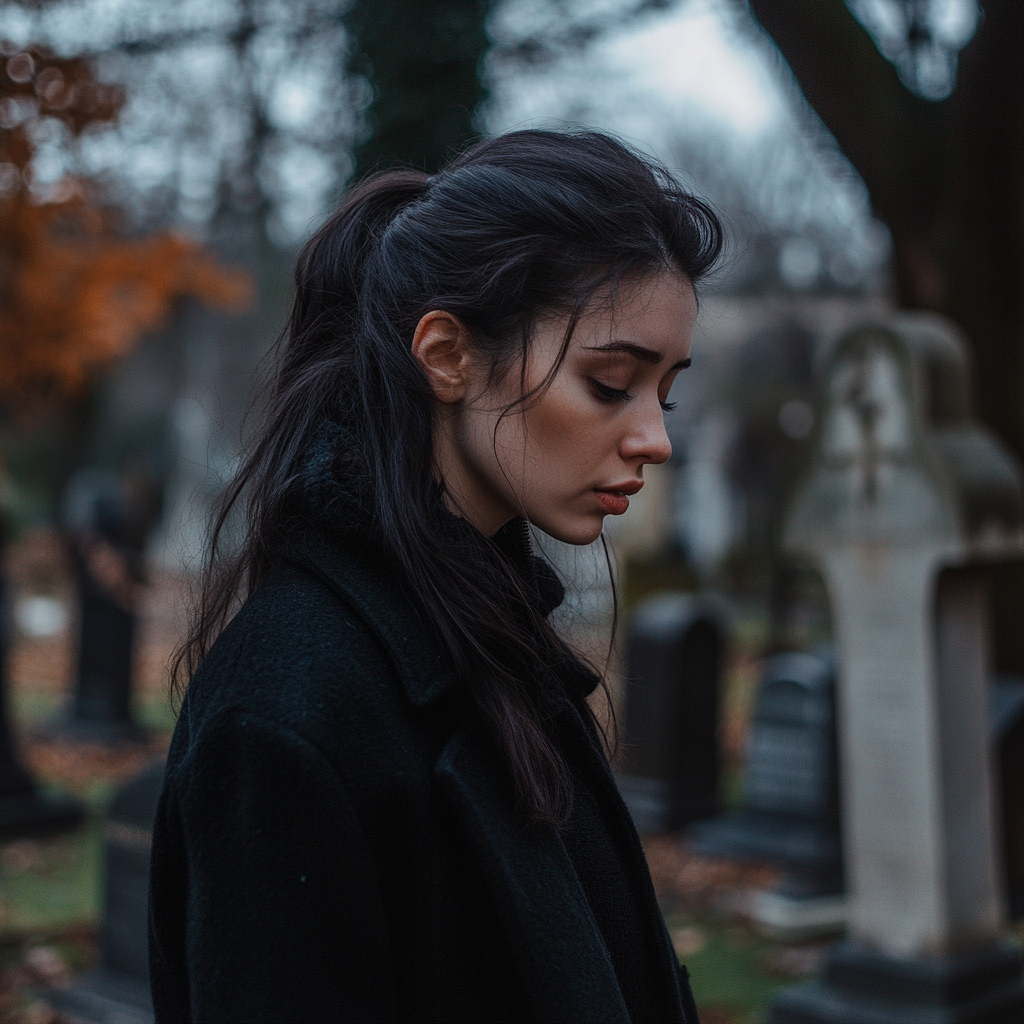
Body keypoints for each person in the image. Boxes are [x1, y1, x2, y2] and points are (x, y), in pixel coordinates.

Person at [148, 128, 722, 1023]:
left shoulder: (496, 640)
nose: (656, 438)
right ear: (448, 355)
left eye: (666, 393)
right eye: (612, 384)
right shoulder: (287, 711)